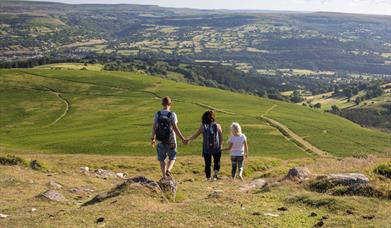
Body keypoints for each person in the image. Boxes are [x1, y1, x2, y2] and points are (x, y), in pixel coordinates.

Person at [151, 96, 187, 179]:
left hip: (160, 140)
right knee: (172, 157)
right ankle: (168, 170)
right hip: (171, 140)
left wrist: (152, 138)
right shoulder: (172, 114)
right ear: (170, 104)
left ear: (162, 104)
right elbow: (175, 128)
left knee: (161, 158)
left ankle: (164, 176)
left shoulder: (157, 114)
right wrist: (182, 139)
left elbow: (154, 127)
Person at [187, 111, 223, 181]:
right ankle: (215, 175)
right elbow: (221, 136)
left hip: (207, 149)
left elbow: (195, 135)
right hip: (216, 148)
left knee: (207, 164)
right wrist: (221, 145)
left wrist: (188, 139)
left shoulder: (203, 126)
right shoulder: (218, 125)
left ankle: (208, 178)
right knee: (217, 162)